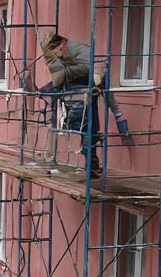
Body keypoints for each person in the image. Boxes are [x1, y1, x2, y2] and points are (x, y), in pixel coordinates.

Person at [26, 32, 104, 178]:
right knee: (86, 131)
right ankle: (92, 167)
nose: (59, 56)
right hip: (83, 89)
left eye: (59, 51)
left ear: (63, 44)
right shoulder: (68, 52)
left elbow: (92, 72)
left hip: (89, 87)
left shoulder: (82, 51)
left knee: (89, 131)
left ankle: (92, 169)